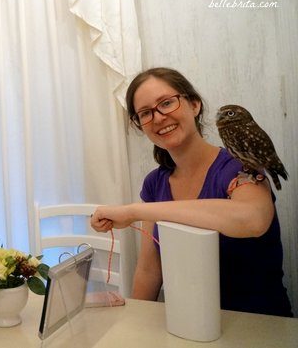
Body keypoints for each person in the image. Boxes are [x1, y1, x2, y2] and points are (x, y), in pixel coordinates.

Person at [91, 67, 293, 317]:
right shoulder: (155, 183)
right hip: (189, 325)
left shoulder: (240, 167)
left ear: (194, 105)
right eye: (145, 113)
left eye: (166, 103)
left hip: (257, 327)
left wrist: (133, 211)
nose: (158, 117)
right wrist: (135, 324)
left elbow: (252, 219)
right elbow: (150, 271)